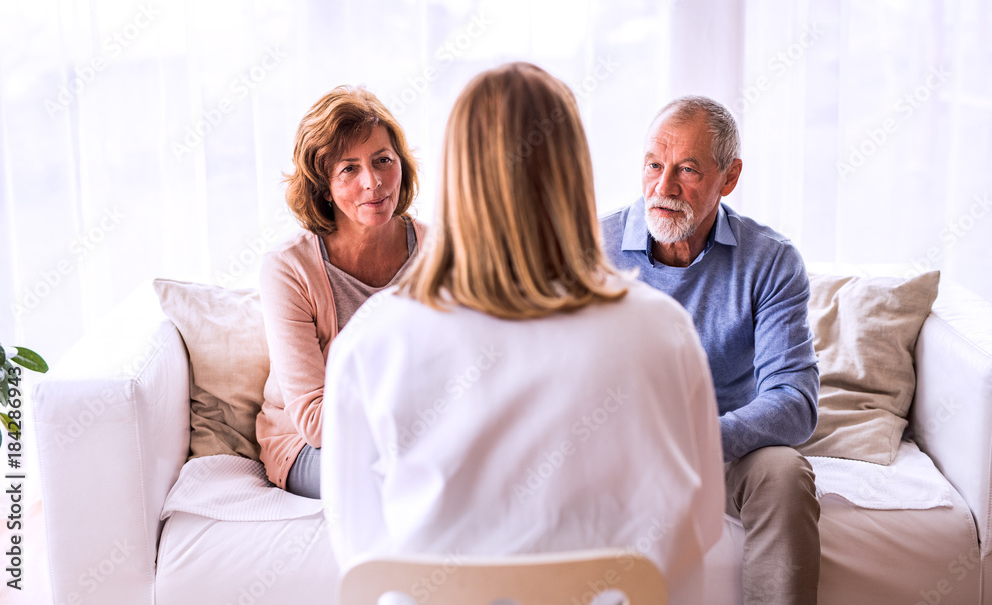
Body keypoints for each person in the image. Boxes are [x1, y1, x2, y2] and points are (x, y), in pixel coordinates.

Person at [321, 63, 725, 603]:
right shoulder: (662, 332)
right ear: (575, 174)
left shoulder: (374, 341)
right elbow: (698, 530)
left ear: (453, 178)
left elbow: (361, 552)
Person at [600, 96, 821, 604]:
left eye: (688, 170)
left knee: (785, 473)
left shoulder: (771, 260)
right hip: (623, 448)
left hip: (728, 446)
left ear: (730, 177)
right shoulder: (593, 247)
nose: (664, 187)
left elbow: (794, 399)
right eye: (654, 165)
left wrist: (698, 439)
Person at [255, 85, 425, 499]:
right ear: (323, 186)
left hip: (423, 430)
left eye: (384, 160)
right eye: (349, 169)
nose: (374, 182)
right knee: (409, 482)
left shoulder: (440, 252)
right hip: (310, 447)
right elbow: (315, 420)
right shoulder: (288, 268)